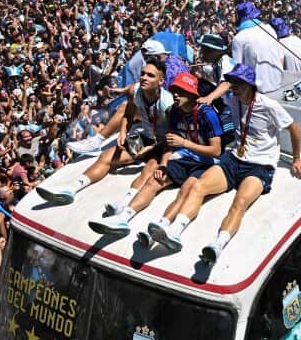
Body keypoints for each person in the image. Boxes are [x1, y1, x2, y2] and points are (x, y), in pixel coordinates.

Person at [147, 64, 301, 263]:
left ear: (249, 84)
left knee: (240, 202)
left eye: (238, 83)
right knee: (198, 186)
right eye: (233, 82)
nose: (234, 86)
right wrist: (211, 96)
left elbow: (294, 129)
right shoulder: (233, 100)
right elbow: (223, 86)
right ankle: (176, 232)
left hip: (260, 165)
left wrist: (297, 158)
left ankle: (218, 244)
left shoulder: (268, 105)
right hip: (234, 159)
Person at [89, 70, 223, 236]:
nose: (175, 95)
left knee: (186, 191)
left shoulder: (207, 114)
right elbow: (169, 142)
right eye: (174, 90)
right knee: (154, 180)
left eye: (180, 91)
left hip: (205, 163)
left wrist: (185, 143)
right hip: (183, 157)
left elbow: (216, 151)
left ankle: (165, 227)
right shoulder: (175, 111)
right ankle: (123, 218)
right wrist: (164, 165)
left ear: (191, 94)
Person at [37, 61, 171, 205]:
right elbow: (129, 113)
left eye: (150, 76)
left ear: (161, 81)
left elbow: (176, 136)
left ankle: (124, 206)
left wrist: (152, 149)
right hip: (147, 138)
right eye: (143, 74)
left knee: (150, 170)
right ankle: (71, 189)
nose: (144, 77)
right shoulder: (135, 91)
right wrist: (123, 132)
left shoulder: (167, 104)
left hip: (165, 145)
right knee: (106, 156)